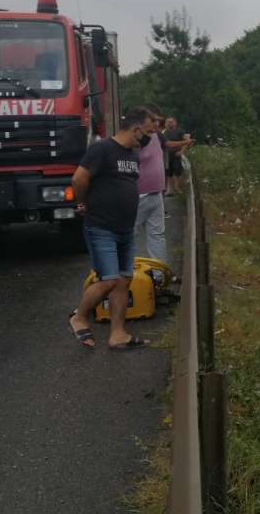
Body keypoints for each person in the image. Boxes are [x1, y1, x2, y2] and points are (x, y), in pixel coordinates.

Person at [67, 107, 151, 350]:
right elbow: (78, 178)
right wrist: (82, 202)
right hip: (101, 226)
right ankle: (79, 316)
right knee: (109, 280)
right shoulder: (102, 149)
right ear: (136, 129)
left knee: (124, 281)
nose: (147, 138)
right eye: (146, 132)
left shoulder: (132, 155)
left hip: (125, 228)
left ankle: (118, 334)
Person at [133, 107, 168, 268]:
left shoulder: (157, 136)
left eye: (157, 120)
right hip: (140, 194)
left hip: (156, 193)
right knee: (129, 234)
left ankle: (160, 273)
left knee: (157, 235)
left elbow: (168, 145)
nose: (156, 123)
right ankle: (126, 273)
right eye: (152, 120)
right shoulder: (136, 139)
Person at [162, 116, 193, 195]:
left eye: (171, 122)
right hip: (166, 155)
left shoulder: (180, 131)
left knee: (177, 171)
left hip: (176, 154)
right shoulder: (163, 132)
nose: (169, 123)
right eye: (168, 122)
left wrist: (182, 151)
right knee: (168, 172)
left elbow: (188, 141)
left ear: (175, 123)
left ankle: (177, 188)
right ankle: (169, 190)